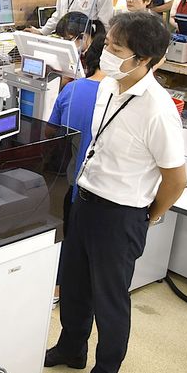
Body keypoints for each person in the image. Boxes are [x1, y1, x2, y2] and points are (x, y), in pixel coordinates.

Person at [46, 12, 187, 373]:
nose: (105, 53)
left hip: (122, 213)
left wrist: (148, 215)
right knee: (73, 283)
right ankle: (72, 347)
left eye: (115, 49)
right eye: (107, 45)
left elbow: (174, 179)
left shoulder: (158, 110)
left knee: (109, 299)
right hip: (86, 198)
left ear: (143, 59)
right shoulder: (109, 84)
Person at [48, 29, 106, 306]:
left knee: (66, 239)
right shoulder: (118, 100)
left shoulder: (72, 90)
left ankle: (57, 288)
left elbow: (51, 133)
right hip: (101, 195)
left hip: (69, 182)